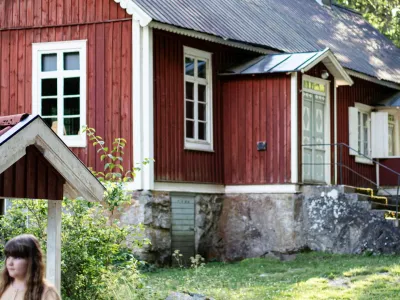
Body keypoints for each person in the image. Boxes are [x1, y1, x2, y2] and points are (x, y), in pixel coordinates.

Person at [0, 234, 61, 300]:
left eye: (17, 257)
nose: (9, 263)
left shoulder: (47, 292)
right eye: (8, 257)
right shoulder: (2, 287)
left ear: (32, 260)